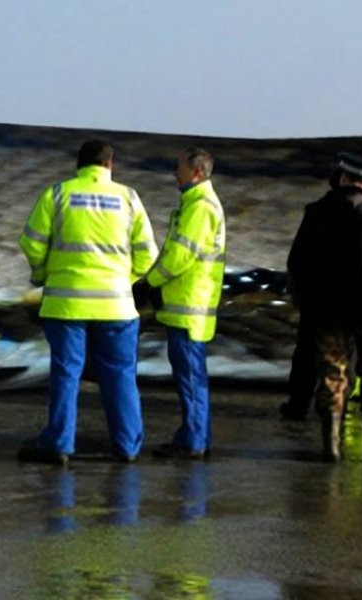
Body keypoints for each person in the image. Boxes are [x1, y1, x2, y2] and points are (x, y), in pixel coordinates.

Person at [17, 139, 157, 465]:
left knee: (66, 375)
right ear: (109, 165)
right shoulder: (129, 198)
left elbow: (31, 243)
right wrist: (124, 279)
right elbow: (148, 254)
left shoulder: (57, 194)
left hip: (66, 305)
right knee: (120, 375)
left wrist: (44, 273)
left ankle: (59, 446)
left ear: (79, 165)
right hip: (116, 306)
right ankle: (127, 447)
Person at [287, 152, 362, 462]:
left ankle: (331, 445)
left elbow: (297, 261)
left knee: (332, 371)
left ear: (343, 178)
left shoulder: (317, 211)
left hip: (328, 308)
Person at [140, 147, 225, 459]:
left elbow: (180, 256)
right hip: (187, 307)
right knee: (190, 377)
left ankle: (194, 441)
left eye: (180, 167)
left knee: (190, 378)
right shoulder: (194, 203)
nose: (176, 173)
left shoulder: (200, 207)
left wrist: (150, 282)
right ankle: (194, 436)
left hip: (189, 309)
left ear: (197, 172)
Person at [280, 165, 343, 422]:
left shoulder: (316, 211)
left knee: (306, 354)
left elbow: (297, 257)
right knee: (341, 355)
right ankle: (333, 405)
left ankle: (298, 404)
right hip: (347, 298)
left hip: (315, 296)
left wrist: (297, 289)